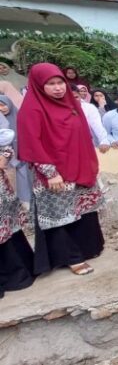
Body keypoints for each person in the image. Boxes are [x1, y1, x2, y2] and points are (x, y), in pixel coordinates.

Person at [17, 63, 104, 276]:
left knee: (83, 213)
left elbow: (84, 135)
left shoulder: (71, 104)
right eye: (51, 84)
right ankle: (71, 258)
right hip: (55, 173)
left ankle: (86, 249)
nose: (58, 88)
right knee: (60, 217)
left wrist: (90, 165)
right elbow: (31, 144)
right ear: (38, 85)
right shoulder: (32, 109)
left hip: (79, 167)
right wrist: (50, 173)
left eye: (60, 83)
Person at [0, 127, 35, 298]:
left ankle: (18, 275)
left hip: (2, 194)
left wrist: (4, 157)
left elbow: (7, 136)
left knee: (8, 229)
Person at [0, 95, 33, 208]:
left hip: (25, 152)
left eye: (3, 105)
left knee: (26, 175)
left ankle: (28, 198)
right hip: (6, 156)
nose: (2, 108)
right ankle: (22, 200)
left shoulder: (19, 116)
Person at [70, 84, 110, 153]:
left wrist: (104, 141)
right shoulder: (58, 110)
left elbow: (98, 126)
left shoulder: (89, 108)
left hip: (88, 145)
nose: (73, 100)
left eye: (76, 97)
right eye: (70, 98)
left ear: (79, 96)